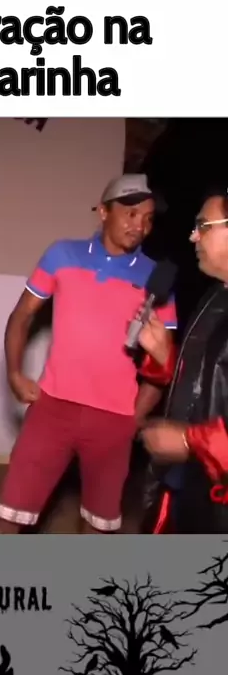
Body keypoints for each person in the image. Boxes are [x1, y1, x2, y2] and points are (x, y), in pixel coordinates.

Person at [0, 174, 177, 535]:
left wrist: (136, 416)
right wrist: (14, 374)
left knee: (99, 526)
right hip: (51, 408)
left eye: (148, 218)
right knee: (7, 514)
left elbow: (165, 359)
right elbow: (22, 316)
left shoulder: (157, 278)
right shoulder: (62, 255)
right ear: (104, 212)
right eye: (131, 214)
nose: (140, 226)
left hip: (114, 418)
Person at [139, 188, 228, 533]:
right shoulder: (215, 295)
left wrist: (190, 441)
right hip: (188, 488)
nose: (193, 236)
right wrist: (166, 355)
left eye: (203, 226)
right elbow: (211, 377)